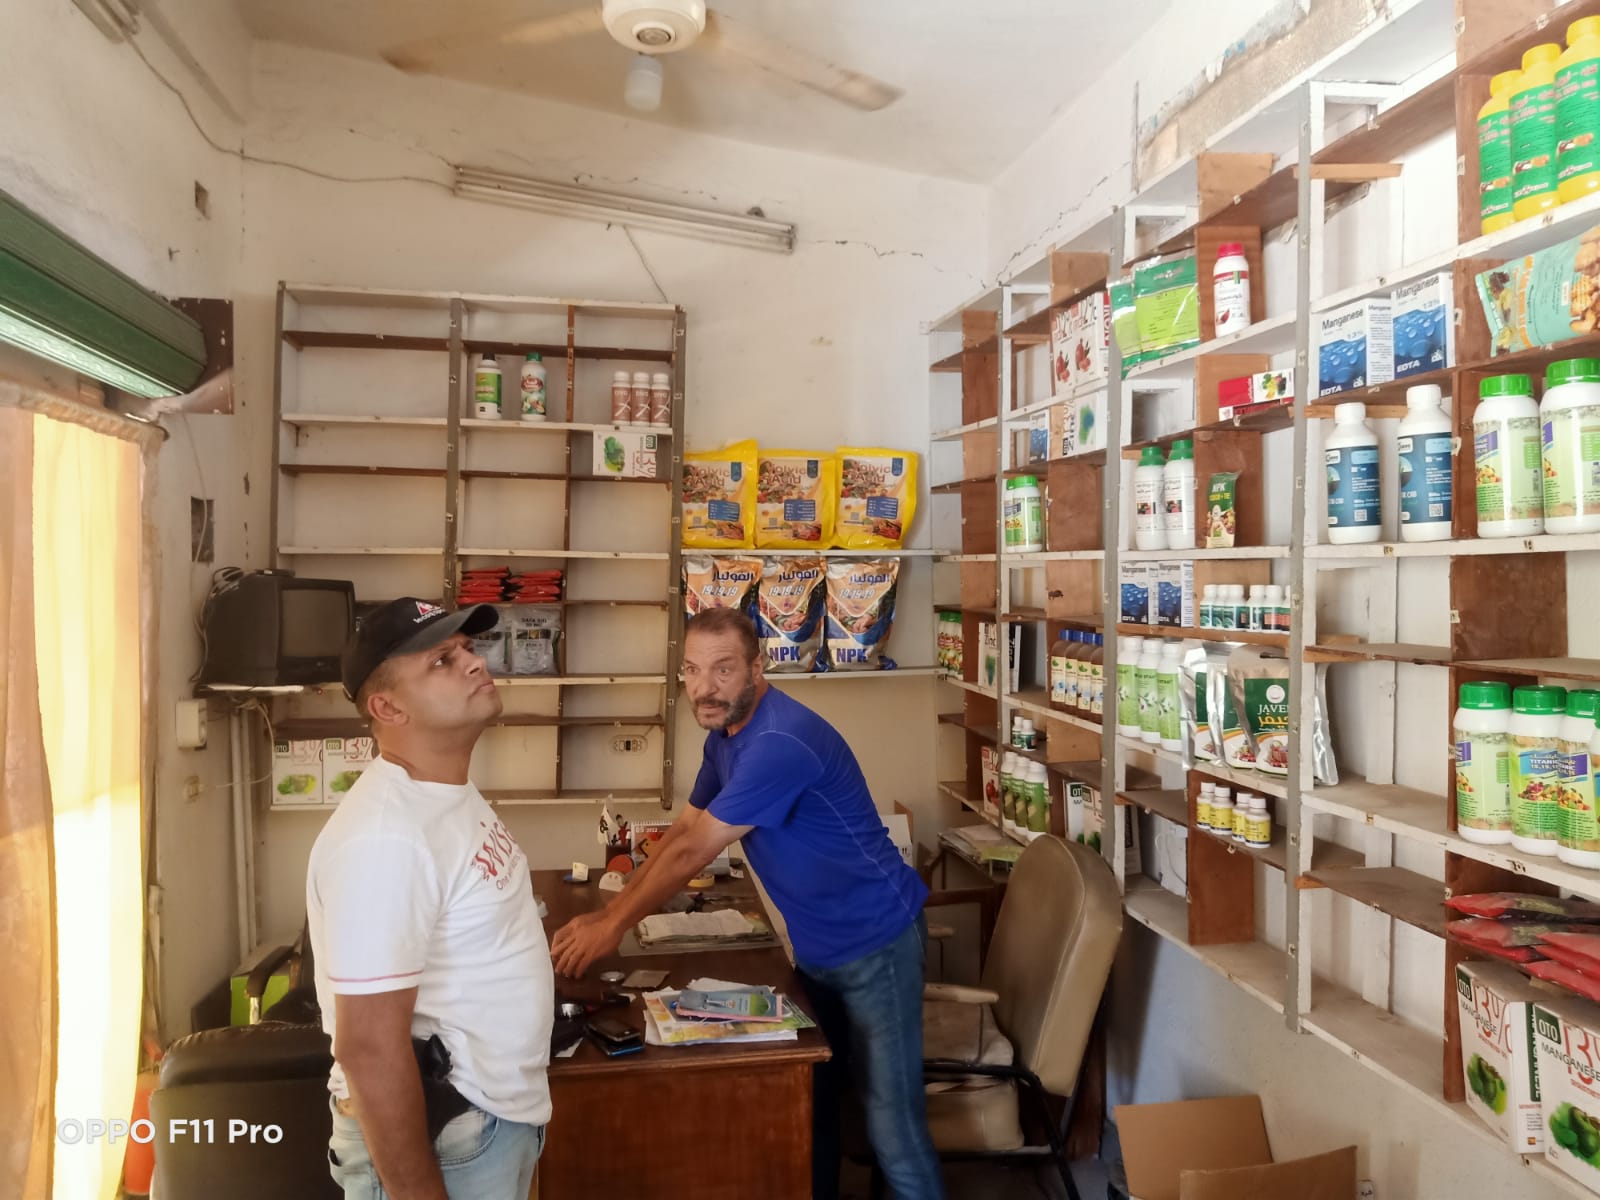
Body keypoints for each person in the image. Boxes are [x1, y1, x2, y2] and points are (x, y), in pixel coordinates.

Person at [550, 607, 943, 1200]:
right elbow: (684, 832)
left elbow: (693, 854)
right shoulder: (724, 737)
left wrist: (613, 926)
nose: (704, 688)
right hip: (817, 949)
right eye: (691, 670)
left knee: (893, 1130)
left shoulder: (778, 742)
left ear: (758, 668)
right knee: (817, 1101)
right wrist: (611, 911)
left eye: (723, 669)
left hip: (876, 944)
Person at [307, 598, 554, 1200]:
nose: (474, 662)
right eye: (442, 660)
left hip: (485, 1122)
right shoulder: (385, 838)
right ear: (388, 708)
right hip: (446, 1135)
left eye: (467, 648)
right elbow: (367, 1047)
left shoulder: (443, 796)